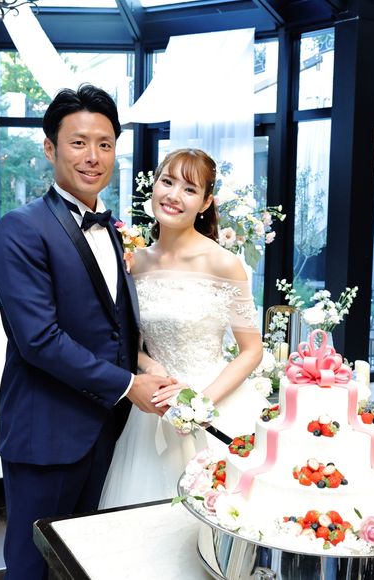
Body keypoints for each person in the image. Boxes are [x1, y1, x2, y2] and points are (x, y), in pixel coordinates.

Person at [0, 84, 175, 580]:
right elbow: (39, 340)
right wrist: (129, 385)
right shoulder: (21, 228)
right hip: (47, 432)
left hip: (108, 430)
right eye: (78, 142)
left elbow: (115, 325)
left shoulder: (113, 229)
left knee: (86, 559)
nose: (93, 156)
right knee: (32, 563)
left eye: (105, 144)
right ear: (50, 148)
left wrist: (146, 364)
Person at [99, 148, 268, 508]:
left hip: (215, 401)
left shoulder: (224, 263)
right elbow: (128, 342)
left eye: (189, 189)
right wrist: (148, 365)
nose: (174, 195)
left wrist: (200, 403)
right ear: (155, 186)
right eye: (168, 182)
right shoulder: (135, 262)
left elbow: (252, 349)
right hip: (154, 405)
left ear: (206, 202)